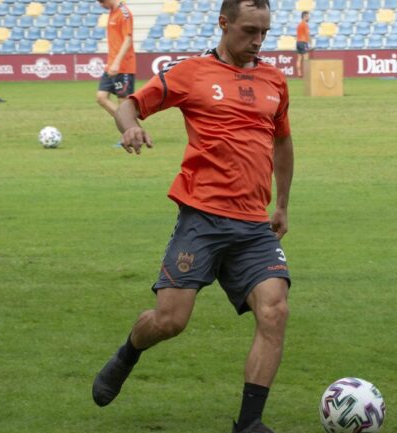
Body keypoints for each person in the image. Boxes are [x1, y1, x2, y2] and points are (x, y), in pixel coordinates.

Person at [92, 1, 294, 432]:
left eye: (264, 32)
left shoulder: (275, 80)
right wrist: (128, 126)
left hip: (254, 227)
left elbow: (282, 143)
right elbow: (131, 104)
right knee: (170, 321)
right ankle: (128, 353)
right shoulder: (191, 73)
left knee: (275, 311)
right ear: (224, 23)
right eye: (249, 30)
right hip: (202, 220)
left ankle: (249, 423)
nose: (258, 41)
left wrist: (282, 203)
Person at [95, 0, 136, 119]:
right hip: (111, 64)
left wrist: (117, 63)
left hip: (124, 66)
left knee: (123, 102)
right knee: (101, 97)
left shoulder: (124, 13)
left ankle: (130, 131)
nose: (101, 6)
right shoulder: (112, 12)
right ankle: (129, 124)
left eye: (102, 3)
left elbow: (128, 40)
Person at [295, 11, 310, 78]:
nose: (308, 18)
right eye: (307, 16)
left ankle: (299, 73)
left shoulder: (299, 25)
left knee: (299, 58)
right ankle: (306, 74)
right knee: (306, 59)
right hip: (303, 42)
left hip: (298, 42)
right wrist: (310, 42)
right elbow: (307, 34)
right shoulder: (305, 25)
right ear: (305, 17)